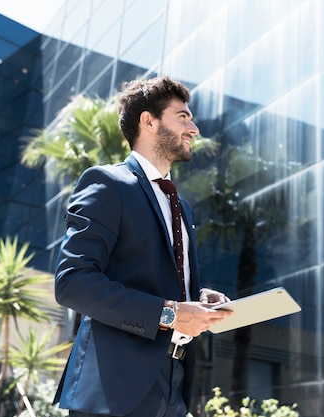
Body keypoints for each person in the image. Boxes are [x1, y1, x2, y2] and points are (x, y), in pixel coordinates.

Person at [53, 76, 233, 417]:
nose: (193, 128)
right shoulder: (107, 183)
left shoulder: (182, 206)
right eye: (182, 116)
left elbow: (152, 279)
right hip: (114, 391)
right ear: (148, 121)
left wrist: (195, 300)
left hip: (174, 387)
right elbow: (73, 283)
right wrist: (172, 314)